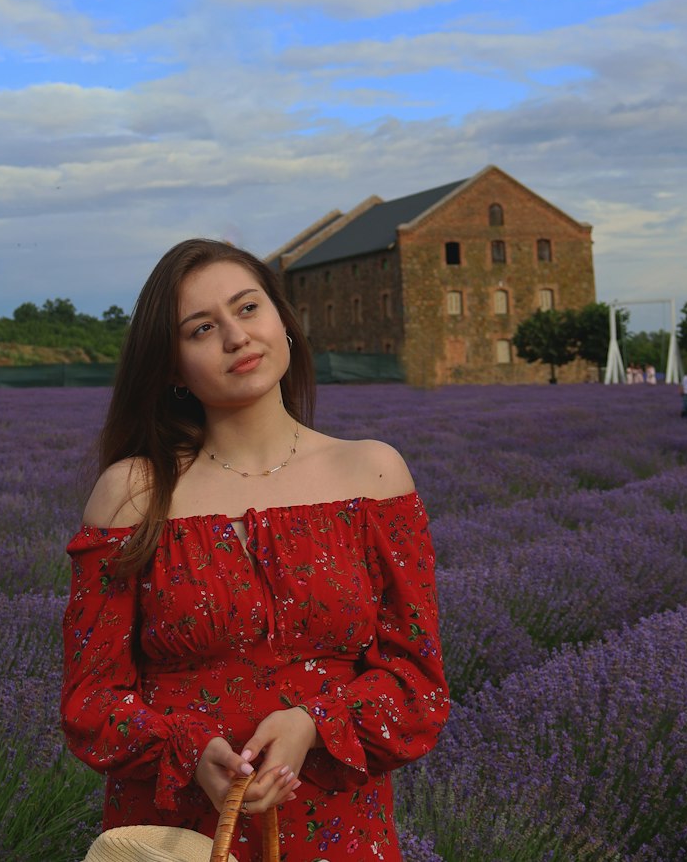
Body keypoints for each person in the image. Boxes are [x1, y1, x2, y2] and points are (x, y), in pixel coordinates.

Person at [62, 238, 448, 862]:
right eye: (202, 328)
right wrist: (185, 755)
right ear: (170, 366)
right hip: (179, 833)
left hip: (339, 827)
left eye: (248, 309)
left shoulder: (373, 475)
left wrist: (315, 724)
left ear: (284, 324)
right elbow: (90, 702)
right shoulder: (133, 493)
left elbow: (418, 685)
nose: (236, 337)